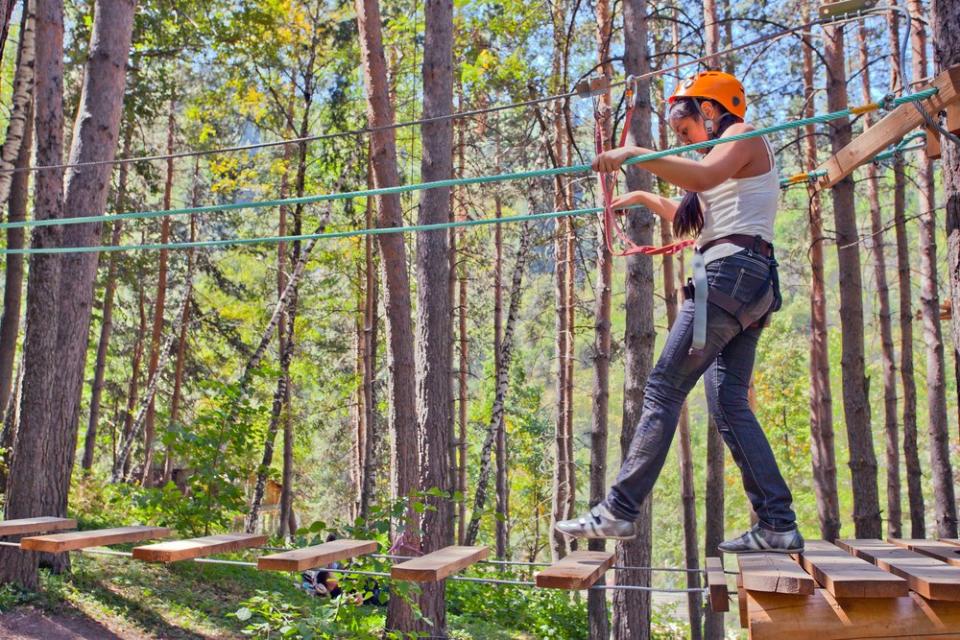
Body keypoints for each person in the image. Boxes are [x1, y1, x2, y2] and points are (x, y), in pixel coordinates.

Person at [555, 70, 803, 554]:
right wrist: (647, 196)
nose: (687, 142)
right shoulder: (724, 159)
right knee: (729, 404)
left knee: (664, 388)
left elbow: (704, 177)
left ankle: (619, 510)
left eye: (686, 131)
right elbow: (699, 210)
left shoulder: (740, 135)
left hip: (732, 277)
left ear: (708, 110)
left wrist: (634, 155)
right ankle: (778, 524)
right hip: (748, 283)